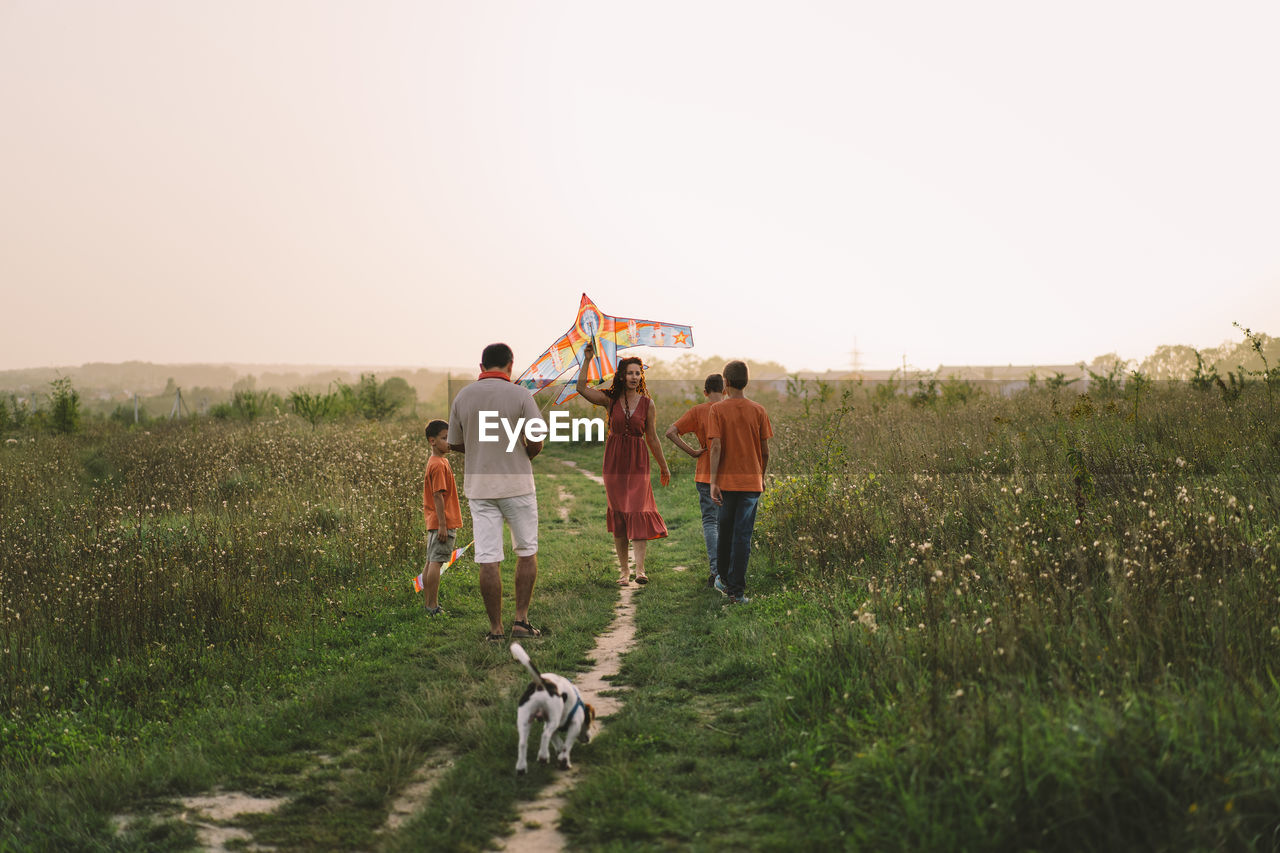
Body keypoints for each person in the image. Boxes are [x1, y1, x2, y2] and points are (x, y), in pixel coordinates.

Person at [448, 343, 544, 641]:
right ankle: (521, 621)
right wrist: (524, 453)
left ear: (482, 366)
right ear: (510, 365)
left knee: (489, 558)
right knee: (526, 551)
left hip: (480, 488)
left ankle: (495, 629)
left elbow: (454, 443)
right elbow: (537, 438)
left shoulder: (463, 396)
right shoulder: (520, 394)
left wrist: (478, 450)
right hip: (517, 485)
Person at [576, 340, 670, 586]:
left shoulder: (648, 404)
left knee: (637, 511)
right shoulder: (611, 399)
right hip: (614, 460)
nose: (634, 377)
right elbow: (581, 389)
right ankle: (624, 572)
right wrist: (587, 359)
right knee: (619, 514)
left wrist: (663, 465)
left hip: (639, 461)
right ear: (621, 375)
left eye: (638, 373)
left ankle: (640, 570)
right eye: (630, 373)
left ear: (642, 376)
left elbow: (652, 437)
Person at [708, 360, 772, 605]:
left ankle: (723, 579)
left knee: (725, 532)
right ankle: (736, 591)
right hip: (751, 484)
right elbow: (765, 451)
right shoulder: (758, 410)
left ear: (725, 382)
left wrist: (713, 482)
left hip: (726, 483)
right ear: (746, 381)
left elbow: (716, 446)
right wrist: (761, 477)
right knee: (742, 537)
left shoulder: (718, 410)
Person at [664, 374, 725, 589]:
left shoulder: (699, 411)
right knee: (729, 523)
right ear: (724, 391)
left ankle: (716, 572)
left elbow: (670, 432)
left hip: (705, 473)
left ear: (705, 392)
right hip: (731, 475)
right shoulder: (731, 408)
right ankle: (729, 572)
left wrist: (692, 452)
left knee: (711, 522)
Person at [420, 418, 461, 617]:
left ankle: (429, 604)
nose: (449, 442)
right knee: (436, 562)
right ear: (432, 441)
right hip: (442, 522)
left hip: (434, 521)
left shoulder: (439, 461)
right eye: (444, 438)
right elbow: (438, 495)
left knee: (430, 561)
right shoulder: (438, 465)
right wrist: (443, 525)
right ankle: (432, 606)